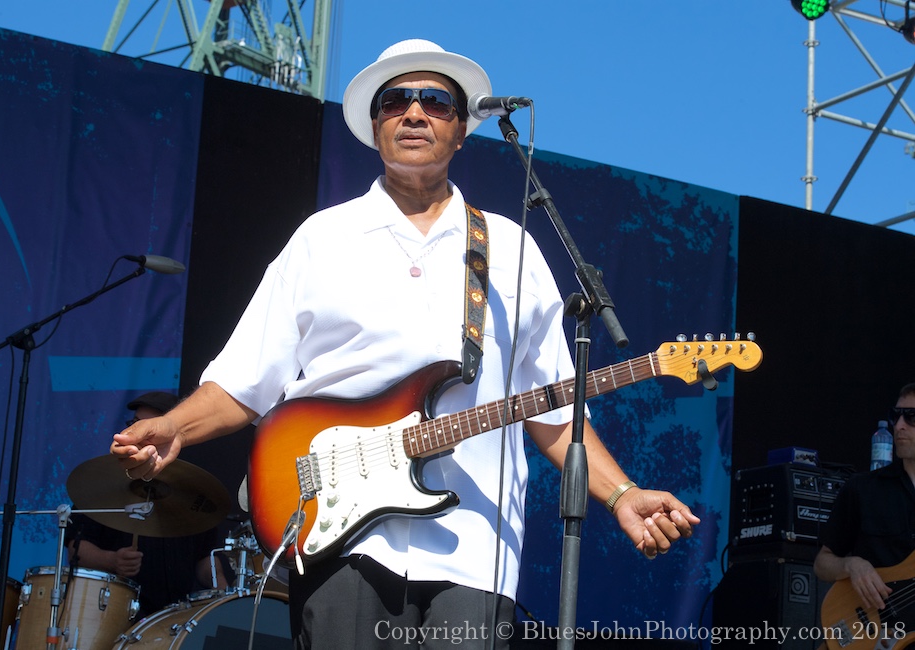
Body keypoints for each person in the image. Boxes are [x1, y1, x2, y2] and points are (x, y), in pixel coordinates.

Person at [111, 39, 700, 647]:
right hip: (342, 538)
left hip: (478, 547)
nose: (414, 113)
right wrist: (177, 427)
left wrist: (622, 493)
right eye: (396, 101)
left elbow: (551, 408)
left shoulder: (511, 248)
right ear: (376, 124)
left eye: (437, 103)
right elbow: (243, 378)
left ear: (462, 130)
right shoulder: (324, 237)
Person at [67, 391, 230, 618]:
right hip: (112, 612)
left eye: (146, 426)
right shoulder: (105, 483)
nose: (136, 431)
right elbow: (76, 547)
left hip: (175, 619)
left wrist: (220, 586)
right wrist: (112, 560)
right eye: (134, 423)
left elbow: (204, 558)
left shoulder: (195, 491)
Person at [814, 383, 915, 612]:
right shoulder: (863, 488)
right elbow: (822, 564)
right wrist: (851, 565)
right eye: (895, 416)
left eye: (911, 418)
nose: (899, 426)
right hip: (871, 633)